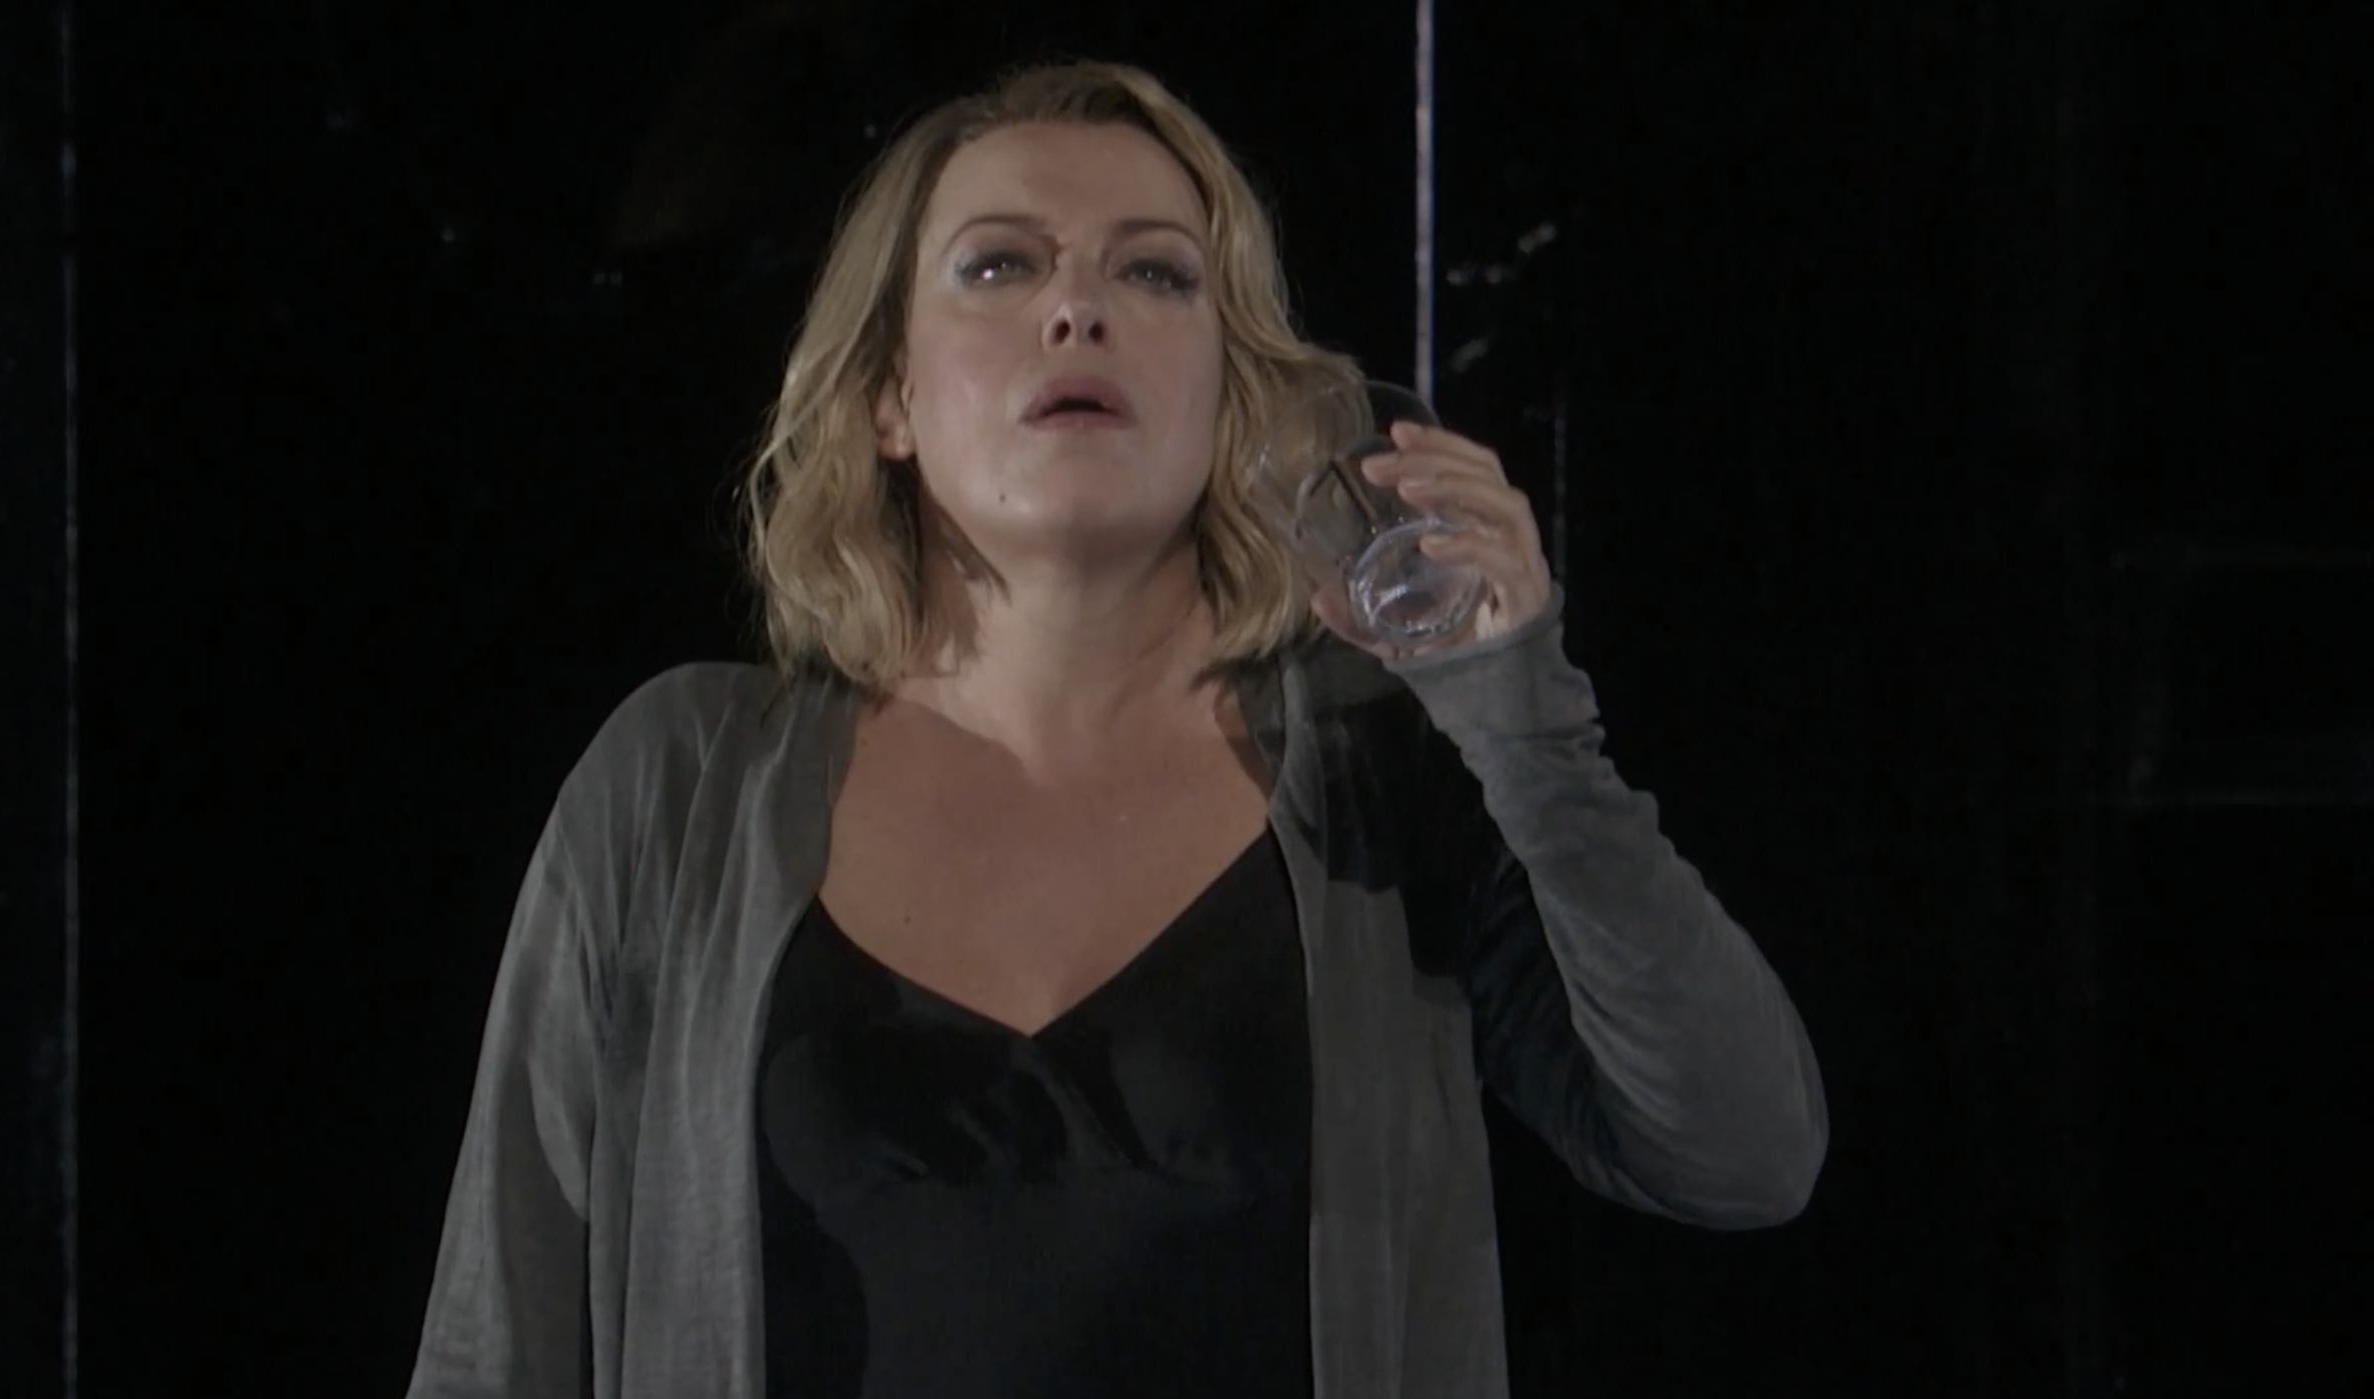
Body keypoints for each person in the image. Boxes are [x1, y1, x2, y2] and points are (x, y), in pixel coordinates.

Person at [406, 59, 1827, 1399]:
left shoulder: (1380, 771)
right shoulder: (679, 781)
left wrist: (1525, 718)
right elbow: (493, 1342)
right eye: (998, 266)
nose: (1076, 308)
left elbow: (1743, 1152)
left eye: (1155, 272)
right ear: (890, 393)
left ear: (1230, 390)